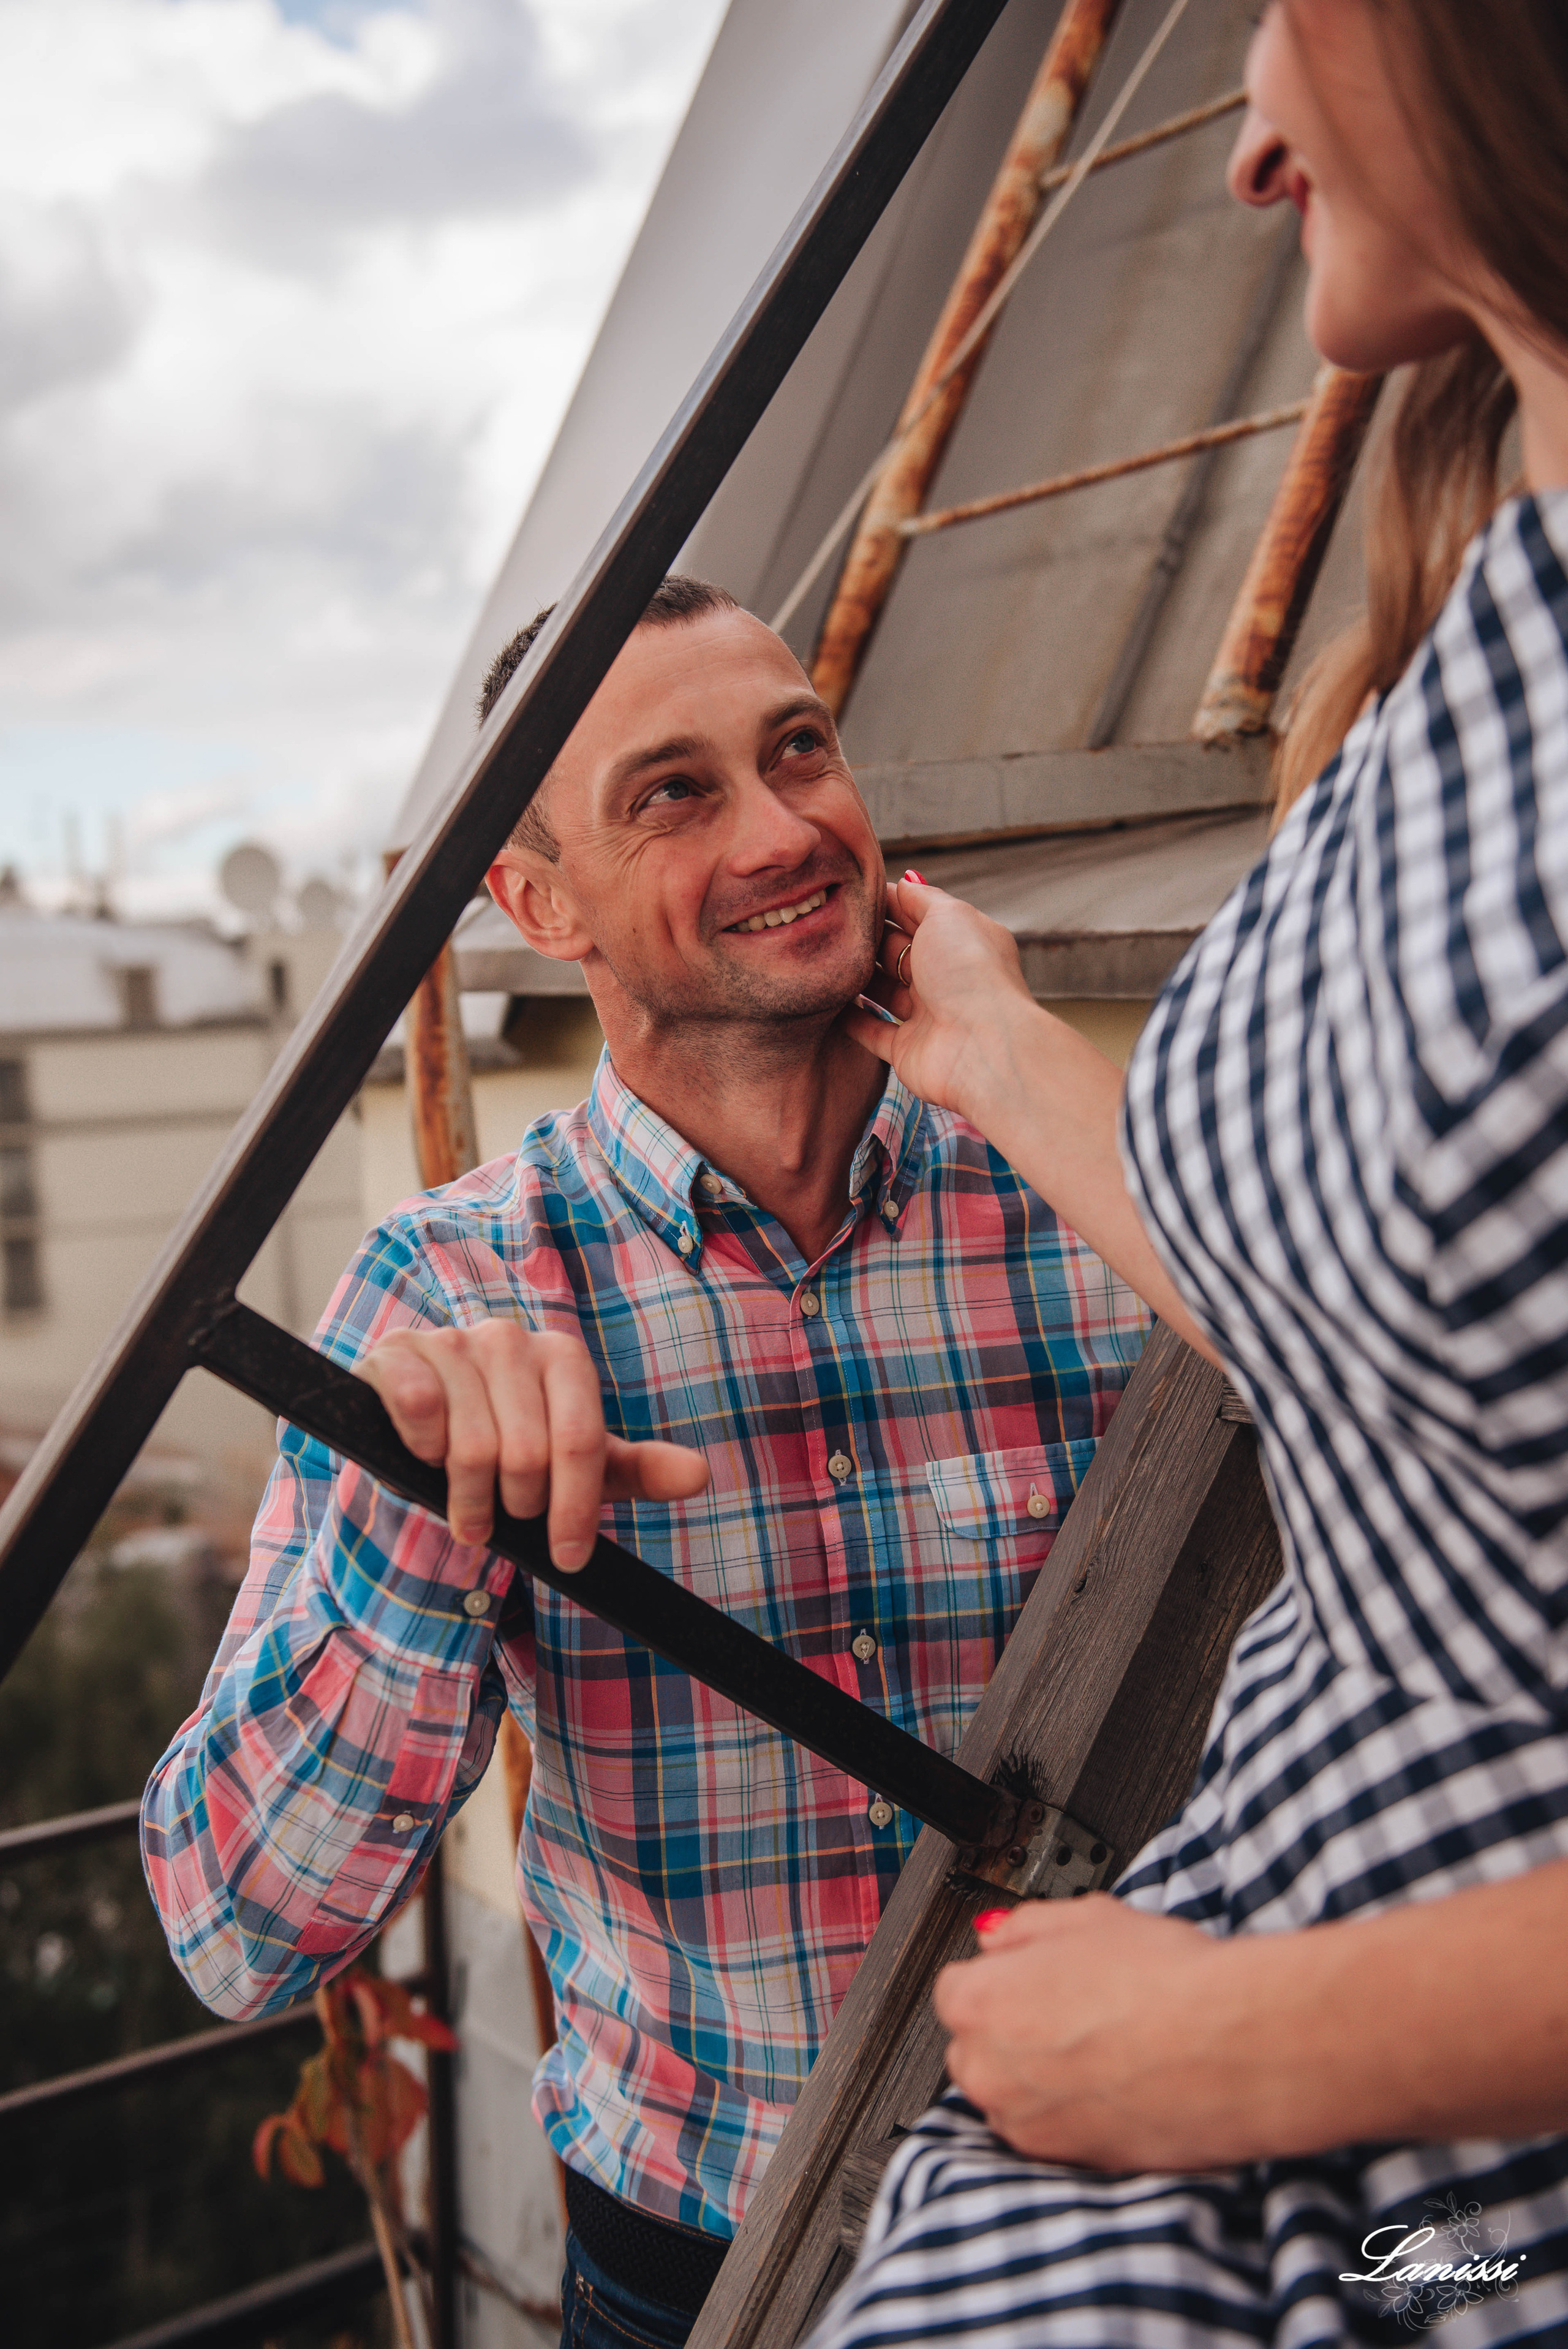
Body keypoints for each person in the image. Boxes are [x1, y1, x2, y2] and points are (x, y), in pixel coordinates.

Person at [799, 5, 1568, 2346]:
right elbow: (1408, 1341)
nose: (1235, 134)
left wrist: (1224, 2048)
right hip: (1262, 1967)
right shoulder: (1471, 599)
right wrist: (1013, 1059)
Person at [140, 576, 1148, 2347]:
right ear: (538, 903)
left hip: (1139, 2218)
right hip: (709, 2277)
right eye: (671, 792)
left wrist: (1034, 1072)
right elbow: (237, 1929)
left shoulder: (1086, 1187)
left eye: (799, 748)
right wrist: (420, 1512)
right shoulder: (452, 1287)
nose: (786, 829)